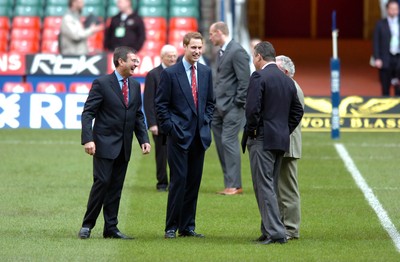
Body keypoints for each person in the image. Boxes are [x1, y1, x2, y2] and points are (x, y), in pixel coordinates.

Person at [78, 46, 151, 240]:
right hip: (103, 144)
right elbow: (88, 113)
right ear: (120, 62)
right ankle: (87, 225)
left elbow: (137, 115)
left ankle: (110, 228)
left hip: (124, 146)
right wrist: (88, 139)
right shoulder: (101, 83)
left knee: (116, 188)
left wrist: (143, 139)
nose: (137, 63)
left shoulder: (135, 86)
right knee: (101, 183)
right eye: (133, 60)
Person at [243, 41, 303, 245]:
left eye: (254, 56)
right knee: (270, 185)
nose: (253, 59)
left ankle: (275, 233)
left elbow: (251, 109)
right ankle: (268, 230)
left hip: (262, 139)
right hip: (279, 140)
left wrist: (253, 130)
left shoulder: (259, 76)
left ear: (259, 56)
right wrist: (284, 130)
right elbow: (297, 111)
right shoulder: (287, 80)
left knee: (264, 186)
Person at [155, 32, 214, 239]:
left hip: (200, 137)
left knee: (193, 183)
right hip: (178, 137)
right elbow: (161, 105)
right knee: (178, 181)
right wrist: (171, 128)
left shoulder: (206, 72)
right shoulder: (171, 73)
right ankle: (171, 226)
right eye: (193, 48)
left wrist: (206, 122)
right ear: (185, 47)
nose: (197, 51)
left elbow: (210, 103)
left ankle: (187, 226)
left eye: (200, 47)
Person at [208, 21, 250, 195]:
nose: (210, 38)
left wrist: (238, 103)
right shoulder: (223, 52)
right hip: (218, 106)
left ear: (219, 33)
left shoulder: (237, 51)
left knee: (228, 141)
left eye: (211, 34)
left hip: (232, 107)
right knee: (219, 143)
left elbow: (244, 80)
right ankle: (229, 183)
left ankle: (235, 185)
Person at [275, 55, 305, 240]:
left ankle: (291, 229)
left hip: (288, 144)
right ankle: (281, 226)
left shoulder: (292, 88)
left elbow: (293, 117)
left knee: (287, 189)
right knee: (279, 188)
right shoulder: (288, 86)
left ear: (285, 72)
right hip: (283, 142)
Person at [143, 44, 178, 192]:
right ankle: (162, 182)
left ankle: (176, 183)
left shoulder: (180, 73)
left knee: (177, 154)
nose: (172, 58)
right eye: (169, 56)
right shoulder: (153, 75)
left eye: (174, 56)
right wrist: (152, 123)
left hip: (177, 122)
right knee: (161, 155)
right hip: (160, 123)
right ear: (162, 57)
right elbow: (148, 100)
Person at [373, 0, 400, 96]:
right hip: (385, 59)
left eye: (396, 9)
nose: (394, 11)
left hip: (398, 59)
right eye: (392, 9)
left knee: (398, 87)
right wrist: (377, 58)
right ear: (387, 10)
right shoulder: (380, 24)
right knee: (385, 87)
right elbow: (376, 42)